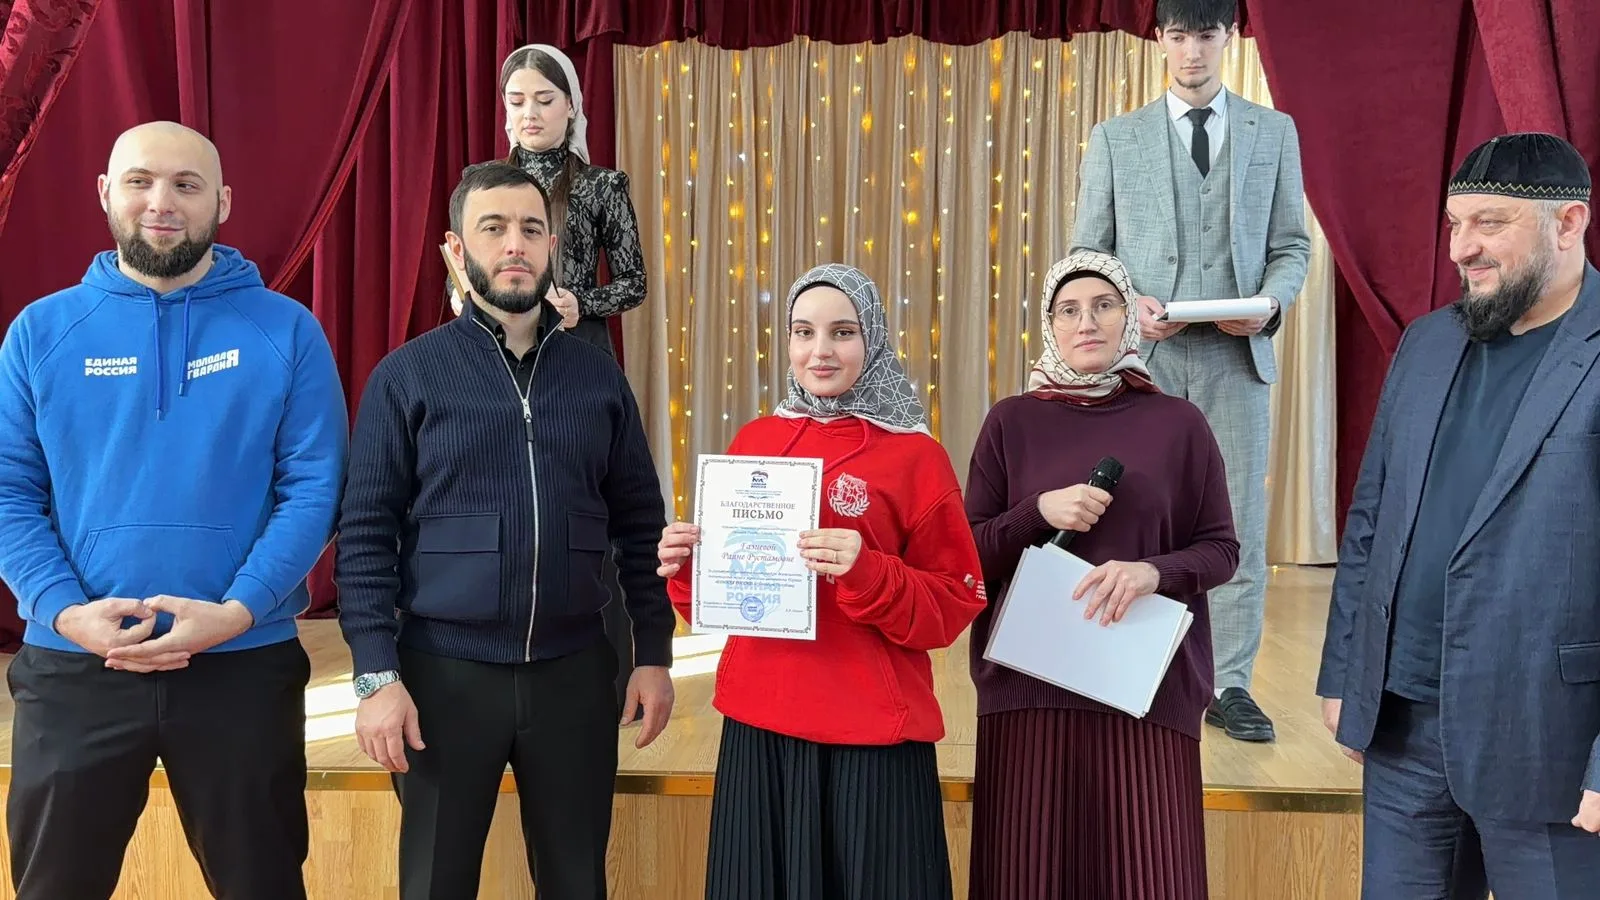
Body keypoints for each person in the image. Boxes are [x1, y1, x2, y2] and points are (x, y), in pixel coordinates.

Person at [0, 121, 347, 900]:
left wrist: (238, 610)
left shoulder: (287, 330)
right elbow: (7, 492)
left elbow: (315, 488)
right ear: (105, 193)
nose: (162, 202)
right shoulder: (39, 333)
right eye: (141, 181)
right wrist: (66, 612)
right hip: (78, 667)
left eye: (187, 185)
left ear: (222, 202)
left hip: (242, 665)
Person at [335, 160, 675, 900]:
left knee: (578, 882)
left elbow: (640, 524)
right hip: (442, 678)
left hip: (575, 675)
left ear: (552, 246)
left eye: (530, 228)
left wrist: (652, 652)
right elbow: (364, 536)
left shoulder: (598, 377)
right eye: (493, 228)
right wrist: (376, 675)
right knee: (436, 883)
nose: (514, 244)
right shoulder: (407, 376)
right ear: (459, 251)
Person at [1318, 132, 1600, 897]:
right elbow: (1372, 515)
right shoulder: (1427, 342)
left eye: (1489, 223)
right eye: (1454, 223)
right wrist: (1346, 671)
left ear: (1569, 223)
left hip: (1550, 742)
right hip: (1404, 727)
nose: (1461, 248)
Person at [656, 263, 985, 900]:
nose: (820, 351)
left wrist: (869, 570)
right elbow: (722, 604)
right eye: (803, 332)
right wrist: (689, 564)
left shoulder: (917, 456)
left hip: (872, 731)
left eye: (842, 332)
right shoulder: (754, 442)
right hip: (761, 723)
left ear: (874, 337)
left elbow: (952, 604)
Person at [964, 250, 1239, 900]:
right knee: (1027, 877)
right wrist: (1037, 512)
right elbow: (969, 555)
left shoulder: (1179, 424)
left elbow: (1221, 549)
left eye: (1103, 305)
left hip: (1146, 691)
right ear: (1049, 325)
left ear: (1129, 320)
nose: (1086, 322)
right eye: (1068, 310)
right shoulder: (1011, 421)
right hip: (1030, 691)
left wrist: (1152, 572)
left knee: (1150, 876)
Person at [1070, 0, 1309, 742]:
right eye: (1179, 36)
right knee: (1133, 514)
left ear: (1228, 38)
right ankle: (1127, 667)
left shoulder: (1275, 131)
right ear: (1160, 40)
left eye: (1206, 35)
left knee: (1235, 522)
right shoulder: (1116, 138)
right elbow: (1087, 253)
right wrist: (1126, 304)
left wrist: (1270, 304)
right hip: (1144, 362)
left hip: (1235, 362)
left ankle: (1229, 683)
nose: (1193, 51)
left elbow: (1292, 246)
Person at [486, 41, 652, 710]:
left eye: (543, 99)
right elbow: (462, 272)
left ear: (572, 107)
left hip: (579, 351)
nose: (529, 112)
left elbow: (634, 281)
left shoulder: (602, 185)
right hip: (498, 353)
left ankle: (603, 677)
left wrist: (584, 301)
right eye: (516, 101)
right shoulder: (485, 183)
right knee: (505, 496)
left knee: (593, 507)